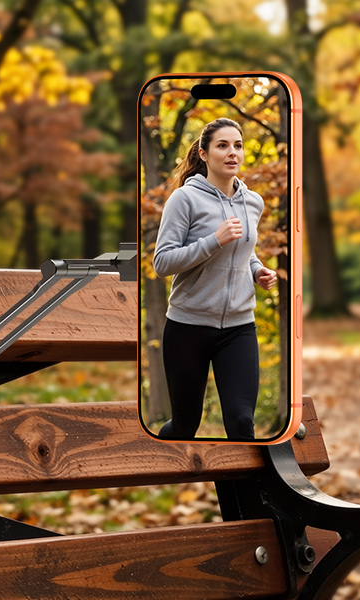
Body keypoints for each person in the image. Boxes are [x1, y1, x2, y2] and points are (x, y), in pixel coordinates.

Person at [152, 118, 278, 440]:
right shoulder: (185, 199)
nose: (232, 152)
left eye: (238, 145)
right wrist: (212, 241)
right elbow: (162, 263)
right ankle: (158, 465)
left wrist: (257, 270)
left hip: (238, 327)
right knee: (186, 425)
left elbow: (244, 250)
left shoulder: (253, 202)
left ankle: (246, 494)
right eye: (222, 145)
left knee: (240, 422)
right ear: (204, 153)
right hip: (187, 327)